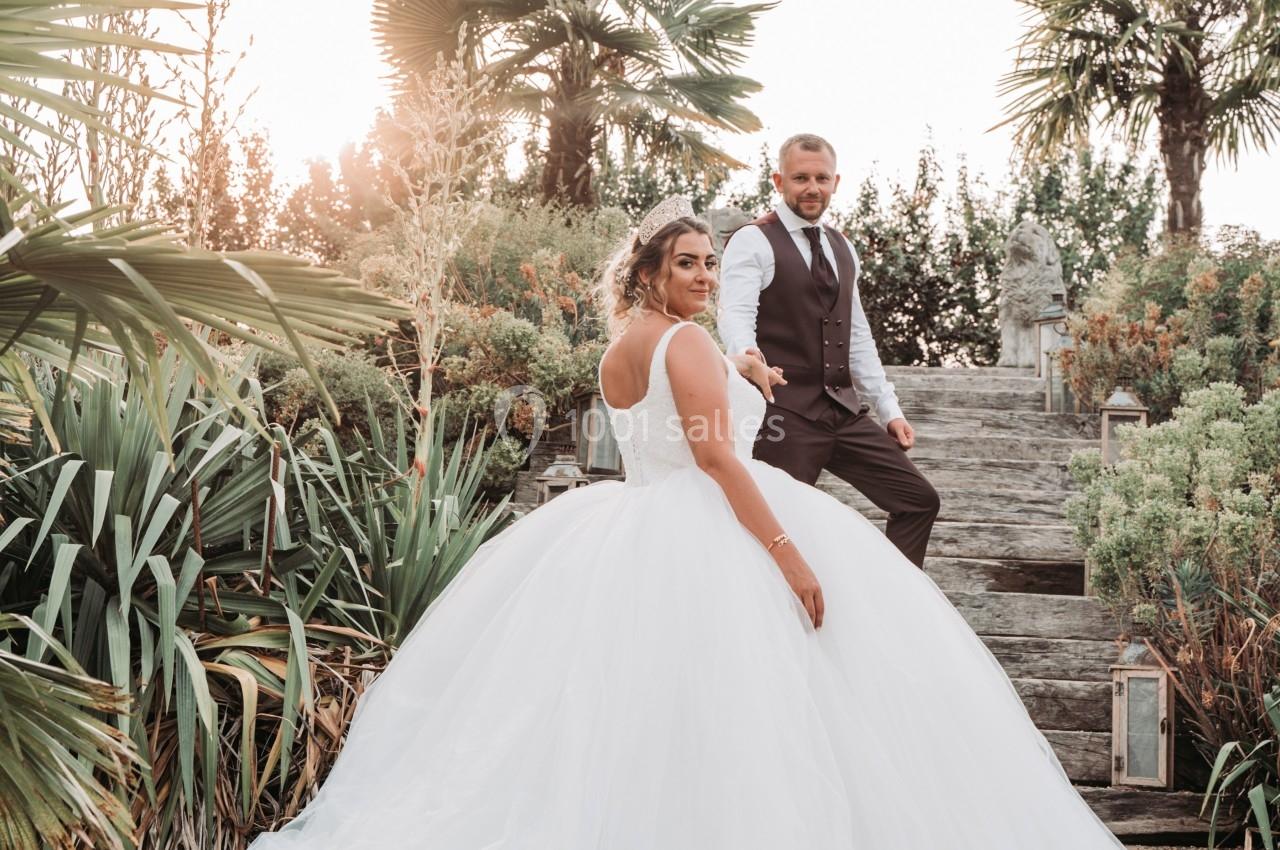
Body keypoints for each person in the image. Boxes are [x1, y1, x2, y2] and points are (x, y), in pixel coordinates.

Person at [248, 197, 1125, 850]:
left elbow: (666, 426)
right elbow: (716, 459)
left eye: (711, 263)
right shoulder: (689, 341)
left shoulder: (618, 349)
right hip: (712, 527)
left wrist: (746, 377)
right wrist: (788, 554)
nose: (705, 276)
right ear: (650, 274)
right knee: (744, 712)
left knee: (634, 712)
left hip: (629, 520)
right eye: (688, 265)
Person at [718, 133, 939, 568]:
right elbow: (736, 314)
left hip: (843, 412)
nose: (812, 188)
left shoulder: (842, 246)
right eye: (800, 178)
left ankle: (891, 598)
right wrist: (748, 358)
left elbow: (857, 335)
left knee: (918, 500)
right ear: (779, 180)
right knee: (775, 529)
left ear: (835, 182)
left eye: (821, 178)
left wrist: (889, 410)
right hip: (783, 413)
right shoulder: (753, 240)